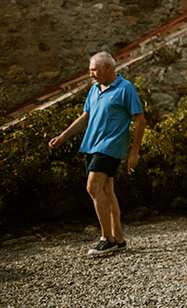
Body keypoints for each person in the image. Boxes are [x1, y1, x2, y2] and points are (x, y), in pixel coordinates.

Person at [48, 52, 145, 256]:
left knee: (92, 187)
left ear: (108, 68)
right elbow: (85, 116)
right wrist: (63, 136)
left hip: (110, 147)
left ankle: (106, 238)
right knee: (107, 191)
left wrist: (134, 153)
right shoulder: (94, 89)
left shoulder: (126, 89)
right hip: (91, 146)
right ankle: (118, 239)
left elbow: (140, 120)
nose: (91, 74)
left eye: (94, 69)